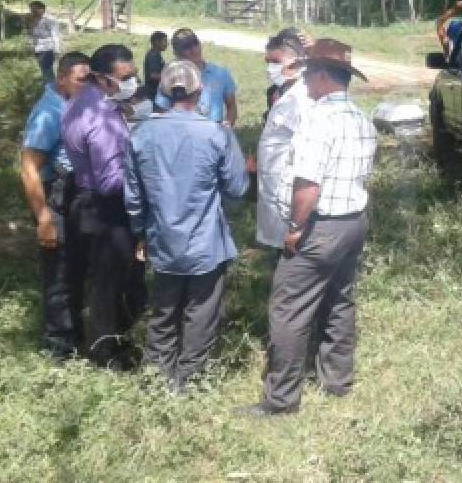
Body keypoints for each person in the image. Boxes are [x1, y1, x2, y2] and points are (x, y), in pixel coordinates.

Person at [239, 39, 377, 417]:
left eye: (307, 75)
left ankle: (281, 399)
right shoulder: (361, 118)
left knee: (288, 308)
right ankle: (337, 380)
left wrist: (296, 227)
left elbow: (309, 187)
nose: (305, 83)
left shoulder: (318, 120)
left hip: (321, 225)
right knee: (339, 299)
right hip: (353, 222)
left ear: (319, 76)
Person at [125, 61, 248, 390]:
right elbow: (237, 188)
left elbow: (134, 198)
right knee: (201, 313)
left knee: (163, 311)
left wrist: (141, 234)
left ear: (163, 92)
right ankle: (189, 382)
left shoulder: (140, 134)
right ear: (200, 91)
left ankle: (155, 380)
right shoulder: (216, 133)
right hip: (206, 241)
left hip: (162, 238)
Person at [61, 44, 147, 369]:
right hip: (107, 207)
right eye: (126, 77)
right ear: (103, 78)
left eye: (134, 75)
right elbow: (112, 180)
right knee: (113, 283)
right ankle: (109, 355)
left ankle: (105, 345)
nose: (132, 82)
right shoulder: (102, 117)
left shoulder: (80, 102)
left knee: (101, 280)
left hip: (84, 198)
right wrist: (147, 183)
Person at [20, 51, 92, 360]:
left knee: (74, 268)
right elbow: (28, 167)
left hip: (73, 196)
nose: (85, 85)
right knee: (59, 274)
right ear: (61, 78)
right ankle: (59, 347)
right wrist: (43, 217)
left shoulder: (73, 105)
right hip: (53, 198)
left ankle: (75, 335)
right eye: (80, 80)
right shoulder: (49, 112)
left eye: (90, 79)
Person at [256, 29, 311, 259]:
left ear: (298, 62)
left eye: (276, 62)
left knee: (292, 259)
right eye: (268, 62)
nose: (270, 68)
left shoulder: (304, 97)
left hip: (290, 190)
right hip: (272, 186)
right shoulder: (280, 92)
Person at [155, 28, 238, 127]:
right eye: (186, 47)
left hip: (213, 132)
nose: (193, 50)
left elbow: (231, 106)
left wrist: (227, 127)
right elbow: (161, 110)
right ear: (177, 53)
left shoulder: (220, 73)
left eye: (195, 44)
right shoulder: (171, 77)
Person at [29, 0, 61, 85]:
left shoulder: (50, 20)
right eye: (31, 9)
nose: (33, 12)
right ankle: (48, 88)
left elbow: (56, 35)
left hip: (47, 49)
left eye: (35, 9)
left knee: (47, 70)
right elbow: (33, 34)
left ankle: (52, 89)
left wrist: (57, 50)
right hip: (37, 49)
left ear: (42, 9)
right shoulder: (34, 20)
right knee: (43, 70)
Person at [143, 31, 168, 100]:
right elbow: (153, 75)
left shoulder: (156, 54)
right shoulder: (153, 56)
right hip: (153, 93)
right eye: (165, 41)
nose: (167, 44)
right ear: (157, 42)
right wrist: (169, 77)